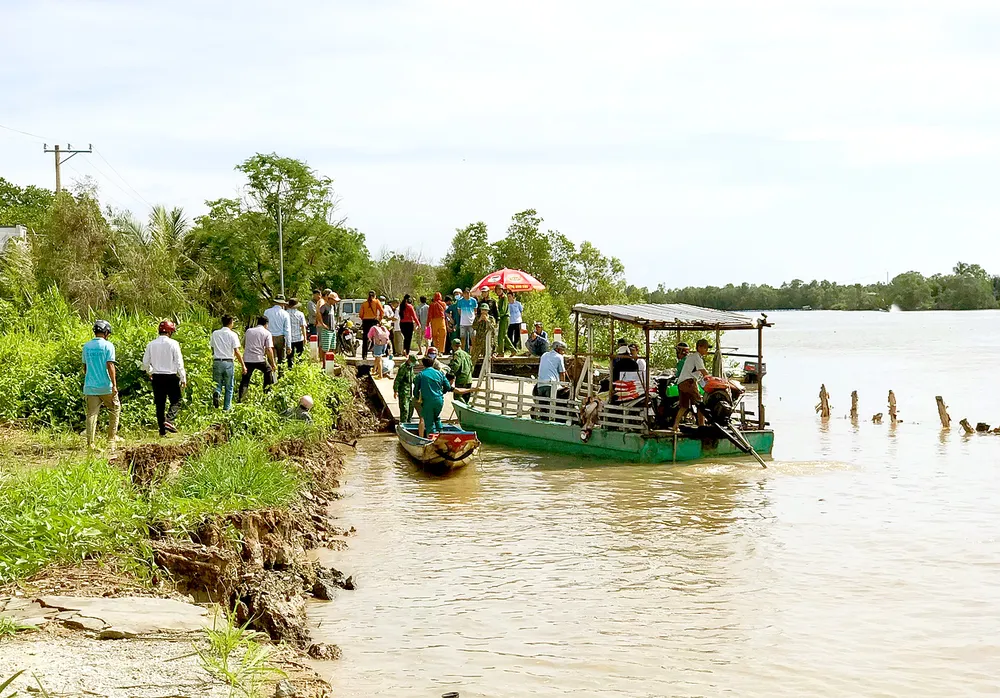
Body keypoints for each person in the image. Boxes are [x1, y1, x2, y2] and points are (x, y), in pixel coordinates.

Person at [142, 320, 186, 437]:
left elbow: (145, 363)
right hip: (171, 376)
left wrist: (150, 372)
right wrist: (183, 377)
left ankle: (162, 431)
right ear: (170, 332)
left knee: (160, 404)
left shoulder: (151, 344)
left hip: (157, 377)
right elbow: (179, 362)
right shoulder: (173, 344)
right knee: (176, 401)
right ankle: (169, 420)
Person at [82, 319, 120, 450]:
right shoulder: (108, 346)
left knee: (92, 414)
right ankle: (111, 437)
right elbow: (110, 366)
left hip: (90, 386)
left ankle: (90, 444)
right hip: (106, 386)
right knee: (114, 408)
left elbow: (85, 367)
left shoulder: (86, 346)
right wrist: (114, 385)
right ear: (106, 332)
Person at [672, 338, 712, 430]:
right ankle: (702, 426)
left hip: (681, 383)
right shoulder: (697, 357)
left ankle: (675, 425)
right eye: (705, 348)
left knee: (684, 406)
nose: (707, 350)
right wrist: (712, 379)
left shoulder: (691, 357)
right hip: (689, 382)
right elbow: (703, 371)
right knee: (700, 404)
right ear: (699, 347)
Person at [210, 314, 246, 411]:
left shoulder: (215, 333)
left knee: (217, 383)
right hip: (228, 362)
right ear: (231, 323)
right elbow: (237, 351)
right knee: (229, 386)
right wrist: (243, 365)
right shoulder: (233, 334)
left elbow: (212, 348)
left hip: (217, 361)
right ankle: (226, 408)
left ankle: (217, 393)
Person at [413, 355, 452, 437]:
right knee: (436, 417)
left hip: (428, 401)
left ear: (423, 364)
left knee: (429, 421)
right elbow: (448, 387)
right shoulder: (440, 373)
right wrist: (442, 393)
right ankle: (442, 435)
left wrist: (417, 398)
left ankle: (431, 440)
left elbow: (416, 389)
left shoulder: (421, 375)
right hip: (439, 400)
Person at [240, 316, 278, 401]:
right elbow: (269, 349)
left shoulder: (249, 331)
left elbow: (243, 344)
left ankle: (241, 398)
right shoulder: (266, 333)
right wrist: (273, 363)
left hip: (247, 359)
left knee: (245, 379)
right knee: (268, 371)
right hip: (259, 359)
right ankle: (266, 393)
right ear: (266, 324)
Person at [533, 340, 569, 414]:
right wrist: (564, 385)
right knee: (551, 408)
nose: (563, 352)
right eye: (562, 350)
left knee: (543, 408)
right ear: (558, 349)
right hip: (551, 385)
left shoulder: (544, 355)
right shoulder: (559, 357)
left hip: (540, 384)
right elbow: (562, 373)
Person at [264, 295, 292, 372]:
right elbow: (287, 330)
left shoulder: (267, 312)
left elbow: (264, 327)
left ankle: (271, 377)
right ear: (283, 304)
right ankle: (281, 376)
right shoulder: (285, 314)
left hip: (269, 337)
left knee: (270, 358)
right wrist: (288, 345)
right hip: (280, 337)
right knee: (281, 359)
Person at [393, 353, 418, 422]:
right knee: (405, 409)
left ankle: (409, 422)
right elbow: (397, 380)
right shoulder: (403, 367)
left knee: (411, 409)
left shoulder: (411, 368)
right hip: (403, 391)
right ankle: (403, 423)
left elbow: (413, 378)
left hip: (410, 392)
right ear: (409, 360)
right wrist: (396, 391)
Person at [359, 290, 384, 359]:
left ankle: (364, 355)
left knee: (365, 338)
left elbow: (360, 314)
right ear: (375, 295)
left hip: (366, 321)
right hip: (373, 321)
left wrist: (364, 318)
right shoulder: (376, 302)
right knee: (375, 337)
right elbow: (382, 311)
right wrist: (380, 319)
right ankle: (375, 353)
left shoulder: (364, 303)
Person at [494, 285, 516, 355]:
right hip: (503, 318)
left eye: (499, 290)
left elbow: (503, 310)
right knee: (504, 335)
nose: (498, 291)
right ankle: (513, 350)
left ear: (502, 290)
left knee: (501, 336)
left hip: (505, 318)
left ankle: (501, 352)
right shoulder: (500, 298)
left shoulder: (504, 298)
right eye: (497, 290)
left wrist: (497, 316)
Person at [317, 289, 338, 359]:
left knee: (332, 347)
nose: (335, 302)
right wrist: (322, 324)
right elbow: (318, 313)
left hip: (332, 329)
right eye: (334, 300)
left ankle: (331, 362)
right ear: (330, 299)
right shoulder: (324, 306)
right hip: (326, 330)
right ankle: (324, 364)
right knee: (325, 348)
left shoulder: (332, 307)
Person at [286, 298, 307, 367]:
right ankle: (299, 367)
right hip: (299, 337)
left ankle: (290, 368)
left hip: (288, 338)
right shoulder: (300, 314)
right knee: (299, 355)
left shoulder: (285, 313)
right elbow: (303, 326)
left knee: (289, 356)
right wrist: (305, 338)